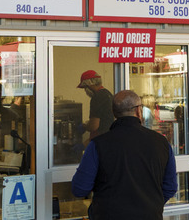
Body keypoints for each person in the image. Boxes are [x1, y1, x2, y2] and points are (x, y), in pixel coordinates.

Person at [71, 89, 178, 219]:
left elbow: (79, 189)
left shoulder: (97, 145)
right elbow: (170, 187)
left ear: (113, 113)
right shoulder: (162, 143)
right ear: (139, 111)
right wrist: (151, 205)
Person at [77, 70, 114, 140]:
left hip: (101, 139)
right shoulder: (108, 94)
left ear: (89, 84)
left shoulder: (97, 97)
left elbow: (93, 126)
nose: (85, 90)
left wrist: (84, 126)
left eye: (85, 87)